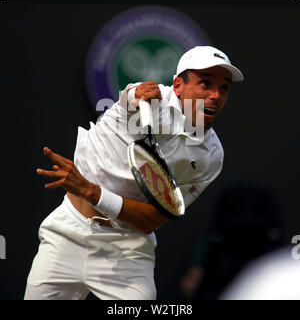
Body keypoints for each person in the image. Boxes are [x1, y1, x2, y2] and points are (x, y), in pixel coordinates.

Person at [24, 45, 244, 300]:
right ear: (177, 86)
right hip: (68, 233)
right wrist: (132, 95)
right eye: (205, 83)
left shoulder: (211, 157)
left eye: (224, 88)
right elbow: (130, 98)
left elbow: (151, 219)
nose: (216, 95)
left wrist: (90, 191)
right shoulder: (147, 100)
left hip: (127, 250)